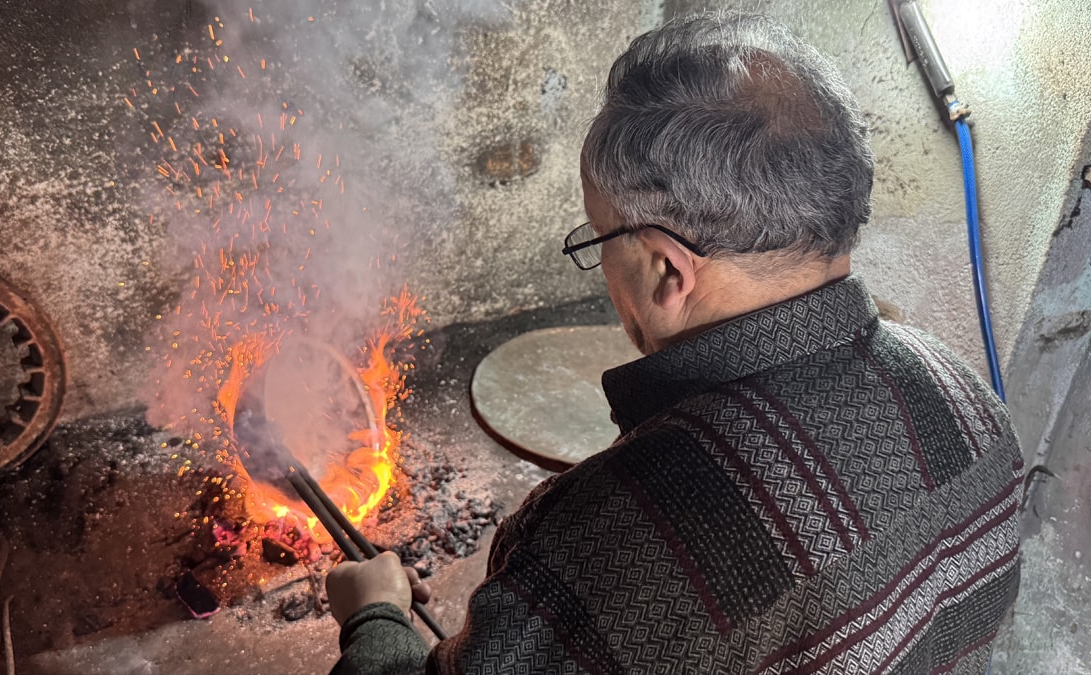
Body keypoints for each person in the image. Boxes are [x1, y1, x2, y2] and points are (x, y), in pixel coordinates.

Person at [326, 12, 1022, 674]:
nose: (600, 262)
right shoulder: (970, 402)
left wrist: (374, 613)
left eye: (599, 236)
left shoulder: (608, 537)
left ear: (668, 268)